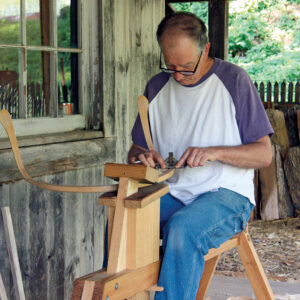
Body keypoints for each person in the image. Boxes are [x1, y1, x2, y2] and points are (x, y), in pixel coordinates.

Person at [128, 12, 273, 300]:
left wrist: (214, 152)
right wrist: (142, 155)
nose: (178, 75)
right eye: (170, 66)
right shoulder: (156, 88)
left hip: (227, 195)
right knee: (127, 217)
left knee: (183, 228)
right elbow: (135, 150)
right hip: (174, 191)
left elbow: (264, 154)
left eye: (186, 66)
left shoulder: (234, 81)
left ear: (206, 50)